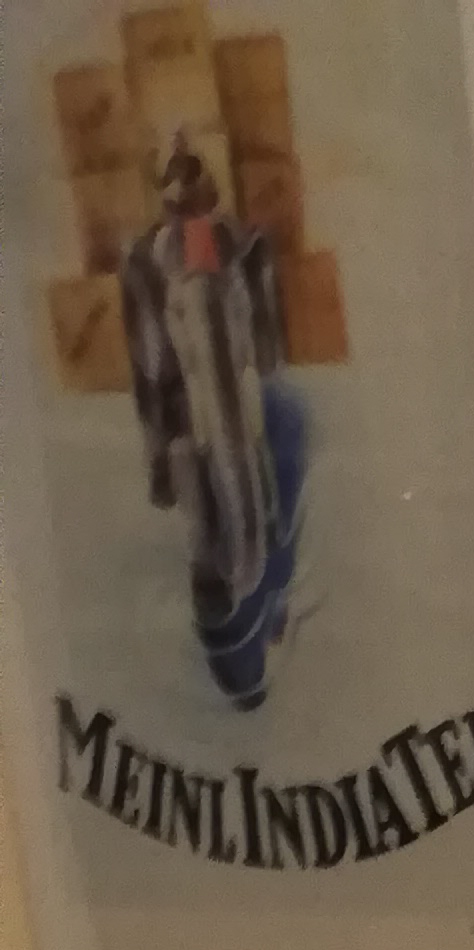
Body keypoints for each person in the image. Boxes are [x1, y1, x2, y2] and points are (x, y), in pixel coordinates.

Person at [117, 126, 305, 709]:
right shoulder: (148, 261)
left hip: (238, 415)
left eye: (192, 182)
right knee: (209, 529)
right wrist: (158, 456)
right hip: (191, 421)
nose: (185, 197)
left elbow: (265, 350)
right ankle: (234, 650)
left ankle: (259, 618)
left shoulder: (240, 245)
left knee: (252, 505)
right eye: (176, 187)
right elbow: (150, 364)